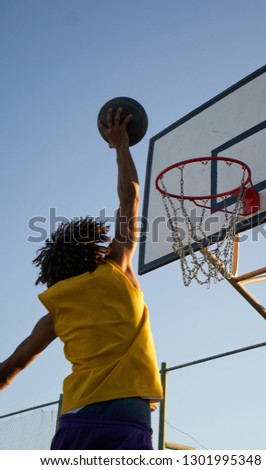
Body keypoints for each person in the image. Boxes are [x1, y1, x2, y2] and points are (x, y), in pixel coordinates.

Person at [0, 107, 163, 450]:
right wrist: (121, 146)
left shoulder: (57, 308)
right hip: (127, 406)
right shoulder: (117, 270)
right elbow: (130, 198)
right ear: (95, 249)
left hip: (77, 413)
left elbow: (13, 365)